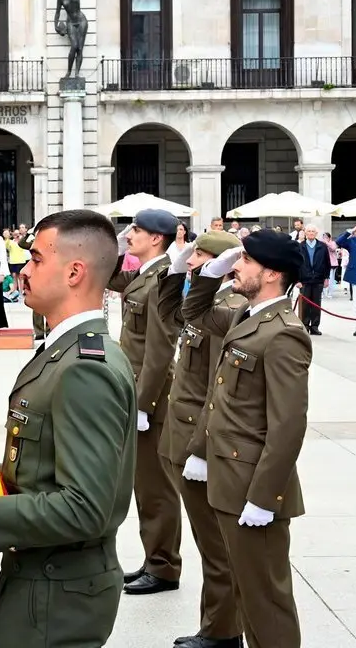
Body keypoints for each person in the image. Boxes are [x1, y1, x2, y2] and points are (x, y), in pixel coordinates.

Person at [0, 209, 138, 648]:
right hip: (39, 579)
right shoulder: (64, 352)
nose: (25, 269)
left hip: (57, 596)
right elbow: (38, 468)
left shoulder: (84, 368)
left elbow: (84, 508)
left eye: (34, 259)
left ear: (74, 272)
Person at [181, 230, 311, 648]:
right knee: (245, 590)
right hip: (228, 479)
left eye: (246, 261)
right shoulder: (246, 316)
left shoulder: (284, 333)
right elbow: (192, 312)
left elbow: (288, 424)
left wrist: (265, 497)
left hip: (252, 486)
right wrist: (209, 274)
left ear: (272, 273)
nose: (236, 265)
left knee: (266, 602)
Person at [159, 231, 246, 648]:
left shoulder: (230, 307)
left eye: (201, 257)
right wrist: (175, 271)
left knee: (216, 547)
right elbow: (168, 316)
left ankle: (222, 630)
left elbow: (219, 386)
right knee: (207, 542)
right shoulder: (205, 302)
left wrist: (203, 447)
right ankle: (217, 626)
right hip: (179, 430)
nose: (192, 262)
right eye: (193, 257)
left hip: (198, 435)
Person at [107, 208, 184, 596]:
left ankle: (165, 566)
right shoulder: (144, 272)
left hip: (150, 391)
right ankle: (155, 558)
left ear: (157, 238)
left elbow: (159, 349)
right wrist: (117, 247)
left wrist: (143, 403)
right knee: (143, 482)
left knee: (156, 484)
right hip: (137, 386)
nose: (130, 234)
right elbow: (109, 277)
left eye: (135, 230)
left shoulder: (164, 279)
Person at [295, 224, 331, 336]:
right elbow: (295, 264)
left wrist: (326, 278)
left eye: (313, 231)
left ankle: (315, 326)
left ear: (316, 233)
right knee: (305, 305)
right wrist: (297, 280)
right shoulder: (300, 246)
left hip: (318, 280)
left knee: (316, 304)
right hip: (304, 280)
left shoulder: (323, 246)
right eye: (308, 231)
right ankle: (304, 326)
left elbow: (327, 263)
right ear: (305, 233)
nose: (310, 233)